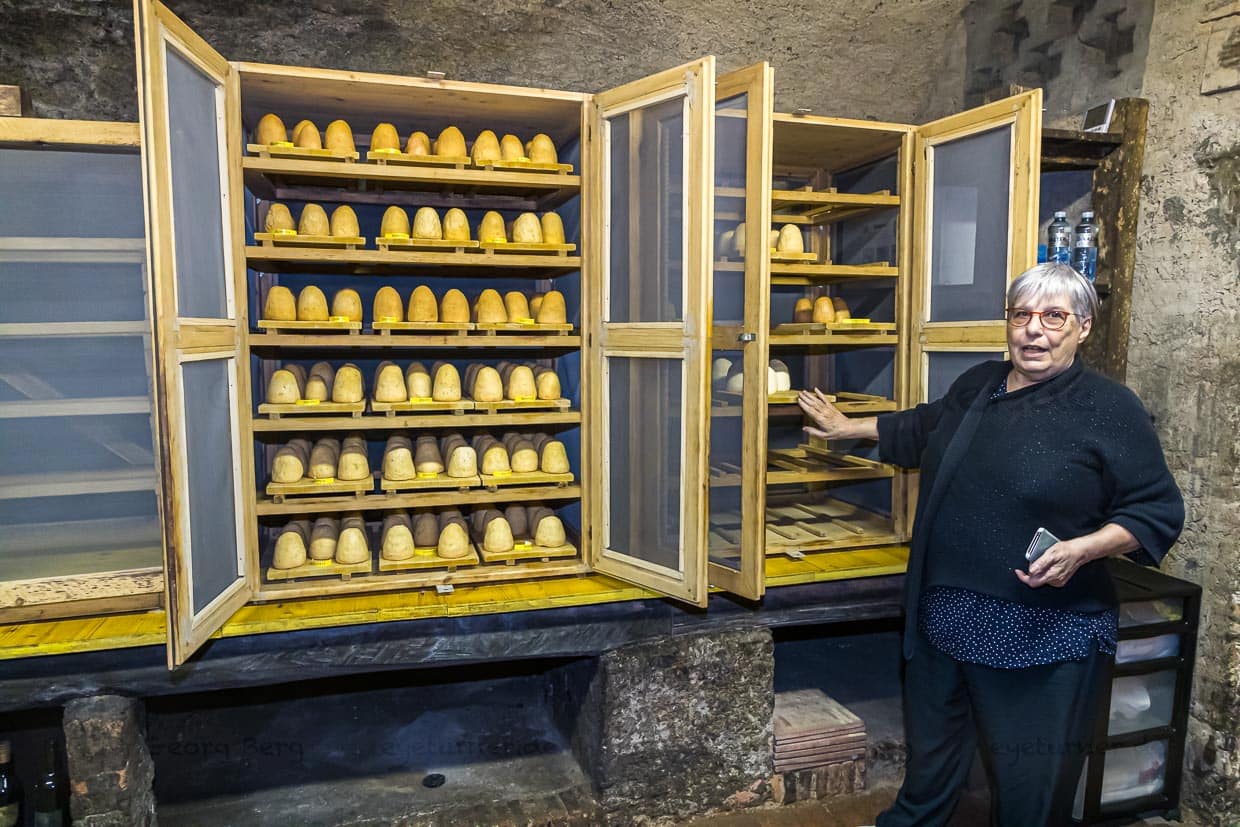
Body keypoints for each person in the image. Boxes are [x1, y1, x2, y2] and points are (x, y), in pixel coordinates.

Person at [798, 263, 1184, 827]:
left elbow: (1156, 510)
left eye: (1054, 317)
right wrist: (848, 427)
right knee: (928, 779)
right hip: (946, 616)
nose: (1035, 330)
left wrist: (1085, 549)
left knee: (1030, 792)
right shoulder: (980, 383)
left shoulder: (1108, 408)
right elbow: (926, 426)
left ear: (1084, 326)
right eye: (1022, 315)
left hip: (1042, 634)